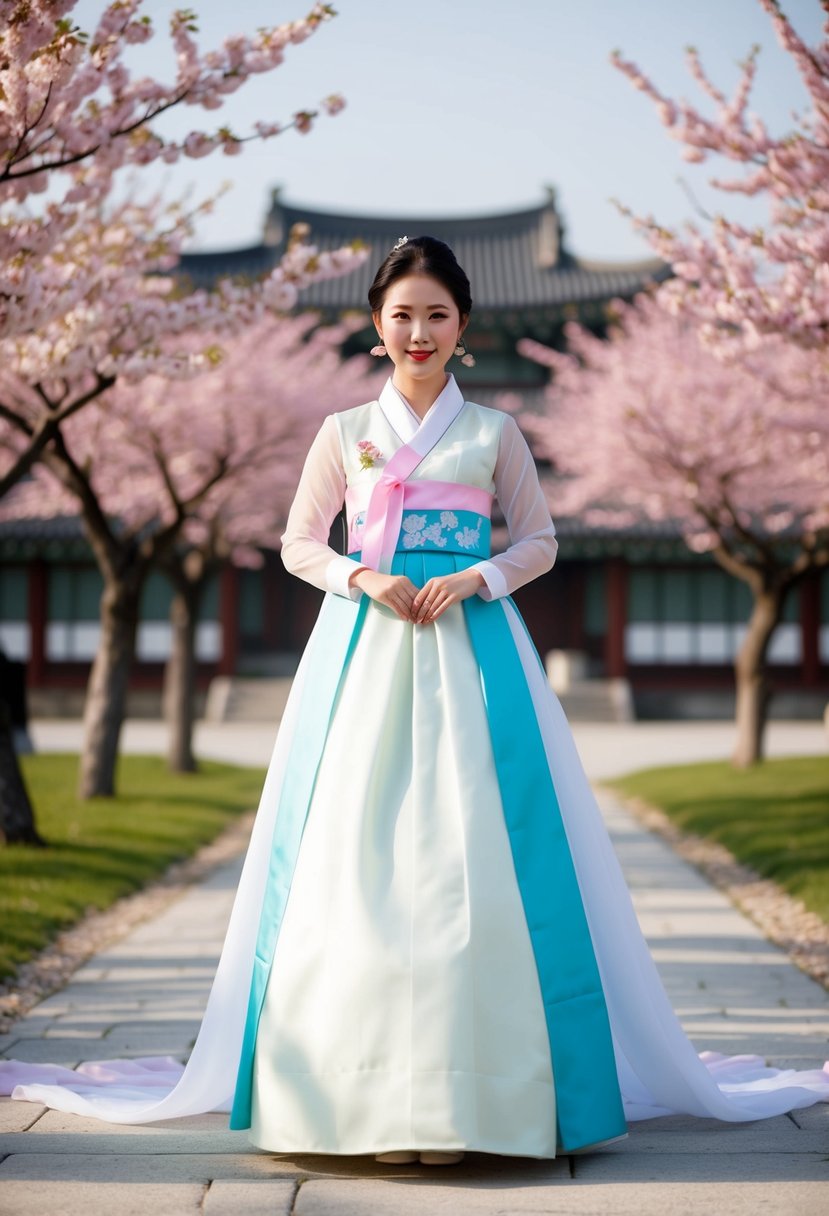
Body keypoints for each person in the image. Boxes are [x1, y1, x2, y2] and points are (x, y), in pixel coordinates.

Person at [1, 236, 827, 1161]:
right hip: (364, 652)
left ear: (463, 326)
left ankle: (475, 1097)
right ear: (375, 325)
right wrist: (362, 579)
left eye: (437, 314)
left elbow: (541, 543)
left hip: (473, 654)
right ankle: (357, 1098)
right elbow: (296, 544)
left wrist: (475, 579)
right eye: (402, 315)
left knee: (473, 850)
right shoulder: (340, 432)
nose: (419, 331)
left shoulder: (496, 434)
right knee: (355, 850)